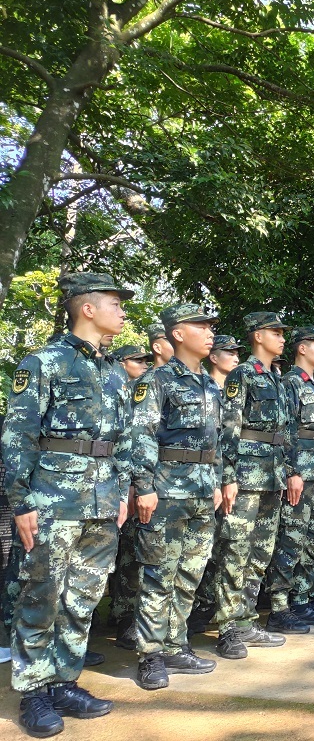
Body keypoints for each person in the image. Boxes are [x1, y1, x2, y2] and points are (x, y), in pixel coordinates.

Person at [2, 272, 133, 737]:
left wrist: (121, 490)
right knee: (42, 594)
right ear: (87, 308)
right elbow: (17, 435)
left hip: (101, 501)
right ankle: (34, 692)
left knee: (81, 598)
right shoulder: (43, 362)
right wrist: (21, 502)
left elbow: (122, 440)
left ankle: (63, 682)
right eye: (115, 303)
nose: (122, 311)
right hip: (53, 498)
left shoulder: (115, 370)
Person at [130, 304, 222, 689]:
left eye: (210, 326)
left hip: (202, 488)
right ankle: (149, 655)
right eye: (201, 325)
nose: (209, 332)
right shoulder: (158, 379)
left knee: (190, 572)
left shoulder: (210, 384)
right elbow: (141, 434)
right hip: (167, 488)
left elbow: (216, 441)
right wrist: (144, 486)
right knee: (158, 573)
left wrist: (216, 480)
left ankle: (174, 643)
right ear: (178, 334)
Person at [215, 313, 291, 659]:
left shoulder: (276, 379)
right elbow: (229, 427)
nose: (282, 339)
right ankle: (228, 628)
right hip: (246, 476)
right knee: (235, 552)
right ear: (258, 336)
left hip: (272, 476)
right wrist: (228, 476)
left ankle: (246, 621)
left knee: (260, 553)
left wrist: (288, 471)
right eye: (277, 333)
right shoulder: (242, 374)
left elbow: (284, 434)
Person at [265, 326, 314, 632]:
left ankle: (301, 599)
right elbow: (286, 430)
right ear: (302, 349)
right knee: (291, 540)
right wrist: (292, 471)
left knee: (312, 539)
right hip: (301, 473)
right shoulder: (290, 383)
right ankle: (279, 607)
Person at [187, 334, 243, 634]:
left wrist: (228, 478)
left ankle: (210, 604)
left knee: (226, 546)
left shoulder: (229, 392)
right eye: (229, 352)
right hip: (197, 482)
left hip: (226, 480)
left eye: (237, 352)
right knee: (201, 552)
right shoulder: (204, 387)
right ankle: (200, 607)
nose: (235, 357)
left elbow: (228, 442)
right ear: (214, 357)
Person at [107, 343, 152, 651]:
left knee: (139, 552)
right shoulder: (121, 391)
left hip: (141, 481)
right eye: (137, 360)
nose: (144, 364)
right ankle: (123, 616)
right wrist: (132, 485)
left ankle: (131, 616)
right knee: (127, 553)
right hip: (116, 484)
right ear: (121, 363)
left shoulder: (145, 389)